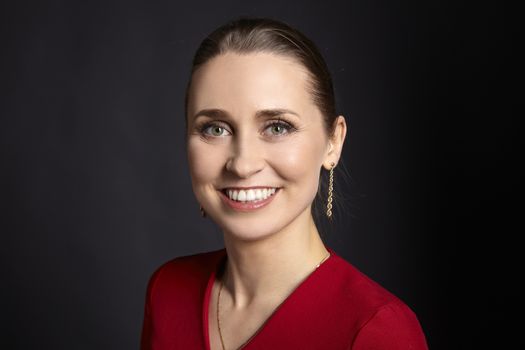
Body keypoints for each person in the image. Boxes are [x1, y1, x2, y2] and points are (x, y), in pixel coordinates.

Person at [141, 17, 428, 350]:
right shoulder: (168, 291)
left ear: (333, 142)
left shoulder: (377, 330)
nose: (243, 164)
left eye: (277, 127)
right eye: (215, 128)